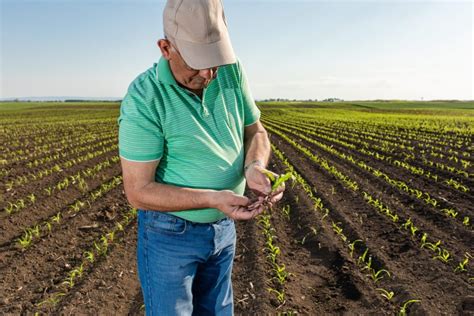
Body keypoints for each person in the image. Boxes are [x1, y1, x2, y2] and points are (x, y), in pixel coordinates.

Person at [117, 0, 285, 315]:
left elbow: (256, 133)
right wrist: (211, 197)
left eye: (215, 61)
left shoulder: (231, 71)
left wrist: (254, 166)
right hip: (170, 235)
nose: (208, 73)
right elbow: (138, 191)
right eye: (197, 62)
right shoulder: (144, 98)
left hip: (223, 231)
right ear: (166, 48)